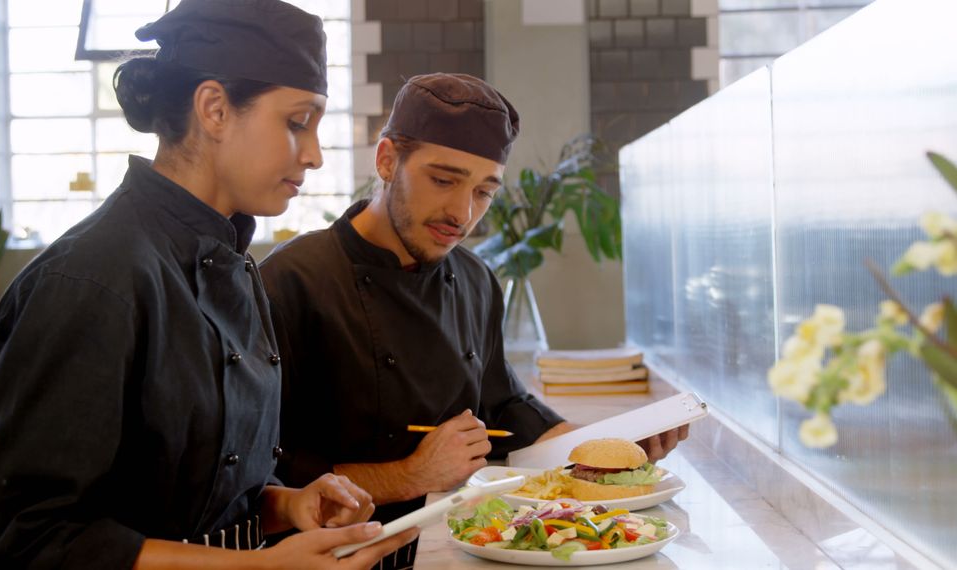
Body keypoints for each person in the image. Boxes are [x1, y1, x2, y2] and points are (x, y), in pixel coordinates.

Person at [0, 1, 416, 568]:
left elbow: (192, 502)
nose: (315, 155)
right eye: (298, 122)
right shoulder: (93, 280)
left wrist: (289, 505)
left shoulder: (233, 265)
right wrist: (259, 567)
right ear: (215, 109)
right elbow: (15, 541)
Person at [259, 73, 688, 568]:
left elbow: (502, 405)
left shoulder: (476, 279)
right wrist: (410, 474)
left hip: (456, 543)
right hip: (334, 558)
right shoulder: (288, 282)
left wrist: (596, 450)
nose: (462, 213)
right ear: (386, 160)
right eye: (443, 180)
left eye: (484, 191)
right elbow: (266, 475)